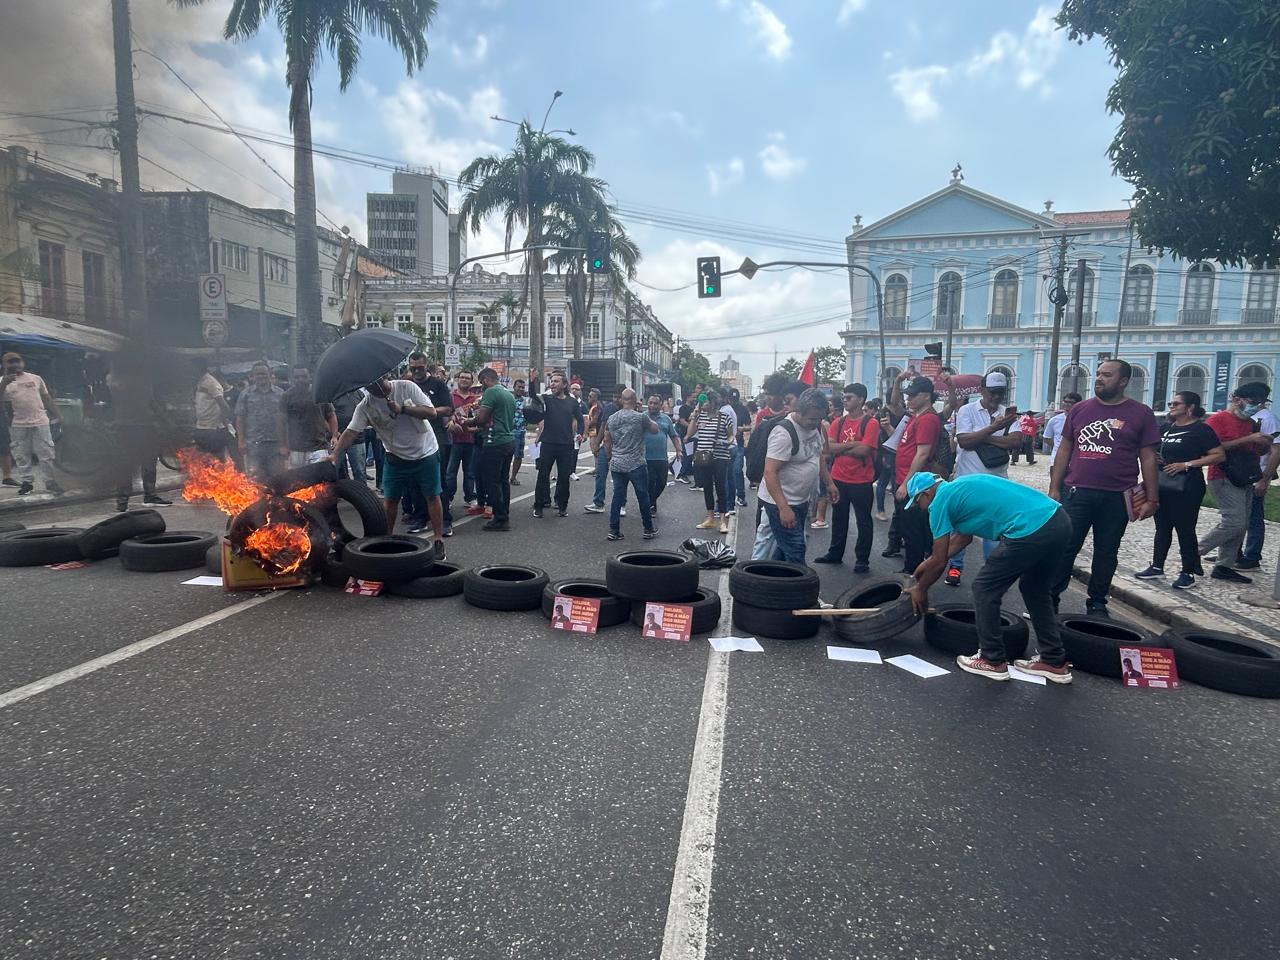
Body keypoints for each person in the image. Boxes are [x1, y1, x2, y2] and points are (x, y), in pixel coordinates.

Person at [905, 471, 1074, 683]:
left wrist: (920, 588)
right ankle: (1053, 661)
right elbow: (961, 540)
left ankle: (991, 659)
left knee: (984, 588)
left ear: (926, 494)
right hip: (1058, 521)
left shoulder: (939, 501)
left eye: (917, 503)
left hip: (1029, 529)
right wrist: (927, 562)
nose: (919, 509)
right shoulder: (960, 488)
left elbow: (940, 561)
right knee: (1035, 590)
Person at [1049, 359, 1160, 617]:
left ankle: (1097, 602)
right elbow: (1065, 449)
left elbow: (1148, 457)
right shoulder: (1080, 410)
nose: (1099, 378)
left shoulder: (1140, 413)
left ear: (1123, 381)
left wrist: (1152, 499)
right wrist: (1055, 488)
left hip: (1118, 496)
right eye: (1099, 374)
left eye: (1107, 375)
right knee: (1065, 548)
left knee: (1107, 551)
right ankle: (1050, 598)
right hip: (1077, 492)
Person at [331, 374, 445, 559]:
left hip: (425, 452)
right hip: (395, 456)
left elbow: (431, 413)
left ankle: (439, 540)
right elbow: (351, 431)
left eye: (373, 381)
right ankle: (386, 540)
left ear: (383, 375)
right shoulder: (365, 406)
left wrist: (403, 409)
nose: (370, 386)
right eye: (365, 384)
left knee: (432, 496)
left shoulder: (406, 387)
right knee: (390, 500)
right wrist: (334, 455)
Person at [1134, 392, 1223, 590]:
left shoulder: (1201, 430)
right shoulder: (1166, 428)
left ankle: (1187, 571)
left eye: (1176, 403)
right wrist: (1156, 457)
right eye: (1170, 403)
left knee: (1185, 529)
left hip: (1187, 485)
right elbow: (1153, 450)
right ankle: (1157, 566)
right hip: (1163, 483)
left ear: (1190, 407)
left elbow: (1218, 455)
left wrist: (1188, 464)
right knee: (1162, 527)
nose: (1171, 406)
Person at [945, 371, 1023, 585]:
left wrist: (983, 437)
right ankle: (955, 567)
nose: (996, 397)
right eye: (992, 392)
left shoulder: (1008, 414)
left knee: (994, 532)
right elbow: (964, 441)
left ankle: (991, 574)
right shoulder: (967, 411)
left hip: (997, 484)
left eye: (1000, 393)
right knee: (961, 527)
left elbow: (1016, 442)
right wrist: (995, 430)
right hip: (967, 483)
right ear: (982, 390)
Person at [1196, 381, 1275, 584]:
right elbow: (1212, 447)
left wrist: (1263, 444)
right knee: (1234, 521)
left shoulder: (1250, 424)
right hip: (1223, 476)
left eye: (1261, 403)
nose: (1256, 407)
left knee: (1243, 523)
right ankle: (1194, 551)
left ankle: (1224, 566)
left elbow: (1254, 451)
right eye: (1253, 402)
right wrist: (1249, 439)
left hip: (1245, 476)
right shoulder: (1218, 420)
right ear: (1237, 399)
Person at [758, 388, 835, 564]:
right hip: (781, 502)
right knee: (796, 549)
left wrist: (829, 483)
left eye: (820, 419)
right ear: (799, 411)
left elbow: (818, 455)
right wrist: (784, 508)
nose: (816, 423)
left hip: (801, 500)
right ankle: (798, 589)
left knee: (784, 549)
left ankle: (771, 582)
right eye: (812, 419)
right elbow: (770, 472)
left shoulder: (816, 428)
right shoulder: (784, 433)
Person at [814, 383, 879, 572]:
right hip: (839, 478)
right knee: (839, 518)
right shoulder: (838, 422)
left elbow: (865, 450)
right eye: (844, 397)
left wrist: (842, 447)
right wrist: (853, 444)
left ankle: (862, 559)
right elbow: (828, 448)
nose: (845, 400)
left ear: (861, 399)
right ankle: (835, 553)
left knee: (863, 521)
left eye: (849, 397)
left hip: (862, 481)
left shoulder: (871, 423)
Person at [892, 376, 945, 575]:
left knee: (913, 530)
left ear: (926, 396)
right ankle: (915, 568)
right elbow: (894, 405)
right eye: (908, 395)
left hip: (916, 484)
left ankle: (912, 571)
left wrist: (906, 484)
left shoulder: (928, 419)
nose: (909, 399)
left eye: (913, 395)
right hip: (909, 479)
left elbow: (922, 453)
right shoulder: (916, 416)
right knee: (911, 528)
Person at [105, 356, 172, 512]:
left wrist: (164, 418)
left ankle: (149, 496)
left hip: (145, 426)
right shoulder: (116, 378)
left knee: (149, 463)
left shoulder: (143, 379)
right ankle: (122, 501)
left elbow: (151, 401)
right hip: (126, 426)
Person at [1, 351, 65, 496]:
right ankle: (27, 482)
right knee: (21, 455)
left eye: (17, 360)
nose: (15, 364)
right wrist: (4, 383)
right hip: (17, 424)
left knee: (46, 452)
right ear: (4, 365)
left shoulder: (35, 378)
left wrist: (59, 415)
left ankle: (50, 482)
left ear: (23, 362)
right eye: (10, 361)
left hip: (41, 421)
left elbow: (46, 398)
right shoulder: (2, 382)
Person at [461, 368, 516, 532]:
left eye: (481, 382)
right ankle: (503, 514)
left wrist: (467, 421)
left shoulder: (491, 392)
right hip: (508, 440)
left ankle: (499, 519)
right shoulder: (508, 394)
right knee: (503, 480)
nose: (481, 387)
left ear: (485, 380)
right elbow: (494, 421)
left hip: (494, 443)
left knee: (492, 482)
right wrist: (475, 428)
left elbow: (483, 418)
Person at [603, 388, 659, 541]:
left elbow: (607, 440)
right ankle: (648, 528)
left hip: (617, 462)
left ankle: (614, 530)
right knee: (643, 496)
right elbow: (655, 429)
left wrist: (609, 458)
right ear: (635, 401)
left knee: (618, 496)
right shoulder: (640, 417)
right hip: (636, 463)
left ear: (621, 400)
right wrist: (641, 412)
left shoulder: (612, 418)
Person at [533, 372, 586, 518]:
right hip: (548, 443)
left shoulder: (572, 402)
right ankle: (539, 505)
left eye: (556, 381)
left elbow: (580, 420)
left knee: (564, 477)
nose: (553, 384)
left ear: (564, 385)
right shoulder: (547, 399)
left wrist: (581, 433)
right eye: (551, 381)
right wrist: (533, 381)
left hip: (566, 444)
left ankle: (562, 506)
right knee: (543, 475)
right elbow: (532, 396)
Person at [1237, 398, 1280, 571]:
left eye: (1243, 399)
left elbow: (1276, 451)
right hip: (1243, 473)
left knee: (1254, 516)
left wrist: (1265, 479)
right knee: (1237, 516)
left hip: (1258, 473)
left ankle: (1252, 556)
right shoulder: (1248, 418)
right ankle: (1233, 552)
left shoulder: (1268, 419)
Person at [688, 388, 735, 533]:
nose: (703, 403)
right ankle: (710, 518)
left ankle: (722, 521)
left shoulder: (724, 417)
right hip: (703, 456)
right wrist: (695, 413)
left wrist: (725, 441)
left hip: (720, 456)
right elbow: (690, 433)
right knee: (707, 486)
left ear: (713, 402)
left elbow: (731, 435)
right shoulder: (700, 416)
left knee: (721, 487)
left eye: (705, 400)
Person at [235, 361, 286, 479]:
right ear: (252, 376)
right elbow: (240, 418)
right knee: (256, 478)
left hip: (276, 444)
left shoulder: (280, 394)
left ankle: (277, 498)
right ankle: (260, 498)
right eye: (258, 374)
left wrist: (285, 444)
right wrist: (241, 440)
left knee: (278, 477)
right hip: (254, 444)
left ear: (270, 374)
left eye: (264, 373)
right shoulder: (245, 394)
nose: (261, 376)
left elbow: (285, 420)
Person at [279, 366, 337, 467]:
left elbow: (331, 415)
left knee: (321, 480)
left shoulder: (319, 393)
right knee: (298, 481)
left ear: (310, 377)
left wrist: (335, 436)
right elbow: (281, 422)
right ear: (292, 378)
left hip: (319, 447)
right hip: (296, 449)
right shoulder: (286, 396)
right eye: (297, 377)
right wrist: (283, 445)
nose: (300, 379)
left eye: (303, 376)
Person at [444, 369, 479, 513]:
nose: (464, 380)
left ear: (472, 381)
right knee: (450, 472)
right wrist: (450, 424)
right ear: (457, 379)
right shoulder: (450, 397)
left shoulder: (476, 400)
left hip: (470, 440)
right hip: (453, 441)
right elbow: (445, 415)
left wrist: (474, 429)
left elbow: (479, 420)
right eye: (462, 377)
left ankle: (470, 497)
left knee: (470, 472)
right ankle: (449, 498)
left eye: (467, 378)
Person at [644, 393, 682, 517]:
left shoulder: (666, 419)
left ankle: (650, 501)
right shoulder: (642, 418)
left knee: (661, 483)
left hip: (661, 458)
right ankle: (651, 505)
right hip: (645, 458)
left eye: (655, 403)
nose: (652, 405)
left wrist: (679, 450)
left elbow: (674, 436)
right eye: (650, 403)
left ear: (661, 405)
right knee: (649, 483)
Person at [585, 387, 620, 513]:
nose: (616, 399)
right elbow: (604, 426)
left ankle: (620, 504)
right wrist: (597, 442)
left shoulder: (605, 407)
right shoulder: (608, 407)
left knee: (619, 477)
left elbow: (600, 424)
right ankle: (598, 503)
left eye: (619, 397)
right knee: (601, 474)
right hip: (606, 444)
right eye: (615, 396)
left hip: (619, 447)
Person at [192, 359, 232, 459]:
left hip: (213, 429)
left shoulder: (211, 383)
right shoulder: (201, 381)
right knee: (204, 460)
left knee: (216, 459)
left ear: (199, 368)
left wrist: (226, 423)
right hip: (202, 427)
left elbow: (224, 406)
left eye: (192, 368)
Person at [331, 388, 367, 482]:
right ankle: (342, 494)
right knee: (338, 471)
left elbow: (367, 411)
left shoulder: (359, 394)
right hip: (339, 440)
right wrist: (334, 433)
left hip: (357, 439)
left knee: (360, 472)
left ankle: (362, 494)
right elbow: (328, 415)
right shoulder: (334, 395)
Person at [1041, 393, 1081, 466]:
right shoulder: (1054, 420)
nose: (1067, 404)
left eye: (1071, 402)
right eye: (1065, 401)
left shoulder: (1083, 419)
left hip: (1076, 459)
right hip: (1056, 459)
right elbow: (1046, 438)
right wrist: (1058, 446)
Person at [509, 378, 528, 486]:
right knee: (506, 455)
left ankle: (513, 477)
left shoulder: (525, 401)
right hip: (509, 431)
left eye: (522, 387)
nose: (520, 389)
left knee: (518, 456)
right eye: (518, 387)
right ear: (514, 387)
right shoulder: (509, 399)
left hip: (521, 431)